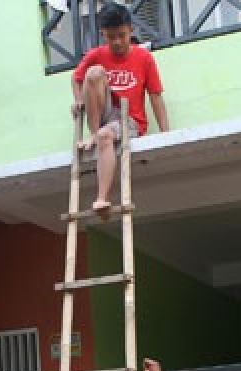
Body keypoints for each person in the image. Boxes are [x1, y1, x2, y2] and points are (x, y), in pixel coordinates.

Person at [71, 3, 169, 216]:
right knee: (93, 73)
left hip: (130, 120)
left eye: (122, 35)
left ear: (131, 30)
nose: (117, 42)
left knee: (106, 135)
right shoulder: (97, 54)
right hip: (104, 114)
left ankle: (101, 198)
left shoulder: (144, 58)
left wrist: (165, 134)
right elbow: (76, 78)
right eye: (111, 36)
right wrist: (78, 101)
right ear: (103, 34)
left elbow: (155, 96)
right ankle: (94, 133)